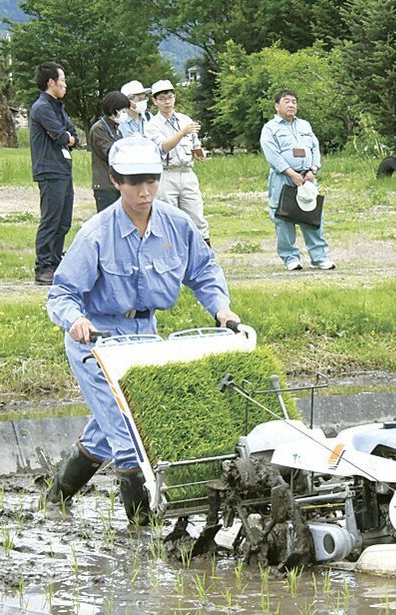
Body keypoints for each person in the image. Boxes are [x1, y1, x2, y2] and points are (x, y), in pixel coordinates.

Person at [45, 135, 241, 525]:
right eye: (135, 182)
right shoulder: (97, 233)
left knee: (108, 428)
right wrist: (76, 320)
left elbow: (203, 271)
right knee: (130, 434)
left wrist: (222, 310)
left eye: (152, 180)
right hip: (97, 340)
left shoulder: (177, 225)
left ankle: (56, 498)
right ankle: (143, 531)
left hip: (144, 337)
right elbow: (62, 293)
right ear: (116, 181)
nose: (145, 191)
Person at [259, 89, 334, 271]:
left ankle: (319, 258)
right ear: (277, 106)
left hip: (308, 178)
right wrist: (291, 173)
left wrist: (313, 169)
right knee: (283, 218)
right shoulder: (270, 128)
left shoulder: (305, 126)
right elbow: (272, 154)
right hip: (283, 178)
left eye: (294, 101)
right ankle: (291, 258)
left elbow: (315, 148)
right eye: (286, 101)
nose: (291, 105)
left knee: (312, 217)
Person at [29, 61, 78, 285]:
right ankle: (44, 266)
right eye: (63, 80)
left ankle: (57, 262)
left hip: (63, 168)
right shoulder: (41, 107)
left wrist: (69, 137)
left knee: (64, 220)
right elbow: (61, 136)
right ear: (51, 82)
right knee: (50, 219)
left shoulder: (58, 106)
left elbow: (72, 133)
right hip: (49, 169)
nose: (65, 84)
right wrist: (66, 137)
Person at [145, 79, 211, 245]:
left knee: (197, 217)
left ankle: (204, 257)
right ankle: (171, 255)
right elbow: (163, 147)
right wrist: (181, 133)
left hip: (187, 172)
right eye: (162, 99)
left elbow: (195, 144)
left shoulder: (185, 119)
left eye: (170, 97)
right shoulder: (153, 125)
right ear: (155, 101)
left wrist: (199, 154)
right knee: (169, 218)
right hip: (167, 174)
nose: (167, 102)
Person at [88, 91, 130, 212]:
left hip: (118, 183)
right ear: (113, 110)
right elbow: (110, 153)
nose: (125, 115)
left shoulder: (117, 130)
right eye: (123, 111)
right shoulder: (99, 129)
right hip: (105, 185)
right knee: (107, 223)